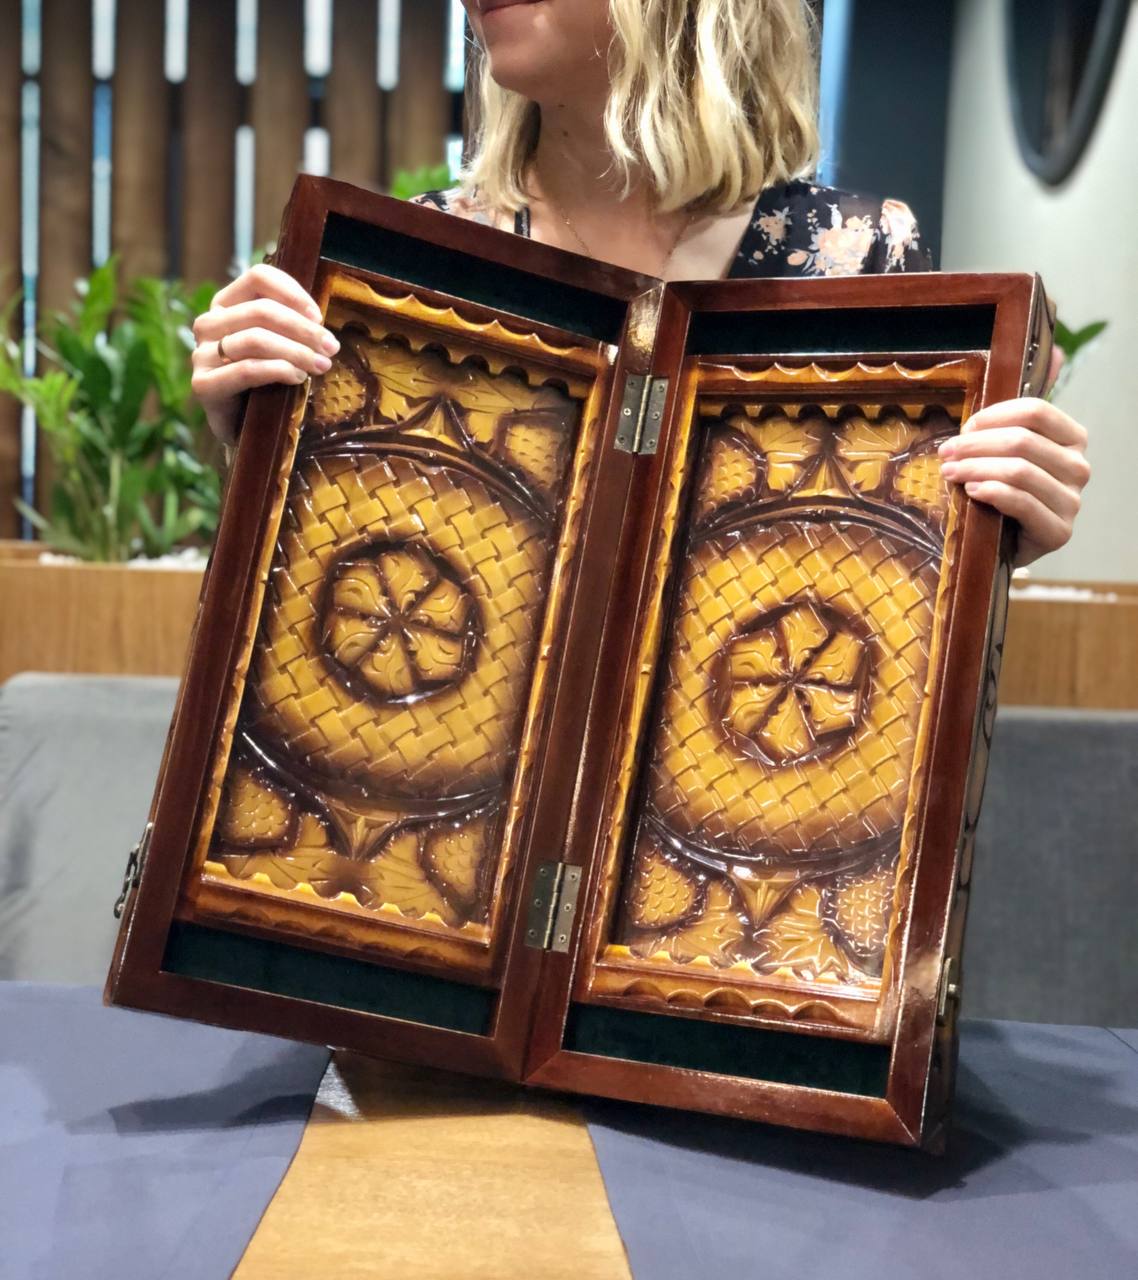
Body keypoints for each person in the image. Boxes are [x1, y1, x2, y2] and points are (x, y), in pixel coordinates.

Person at [191, 0, 1089, 566]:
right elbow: (351, 587)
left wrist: (998, 528)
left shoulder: (859, 255)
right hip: (447, 826)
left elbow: (872, 581)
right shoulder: (409, 268)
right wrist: (260, 440)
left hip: (739, 818)